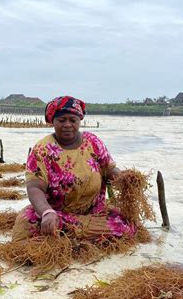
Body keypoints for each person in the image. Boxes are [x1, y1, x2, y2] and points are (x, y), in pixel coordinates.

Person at [11, 96, 137, 243]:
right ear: (53, 121)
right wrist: (46, 212)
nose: (67, 125)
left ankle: (67, 238)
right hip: (56, 214)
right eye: (61, 120)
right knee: (25, 224)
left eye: (72, 120)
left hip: (94, 212)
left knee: (125, 227)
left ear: (79, 121)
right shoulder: (42, 149)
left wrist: (126, 180)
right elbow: (34, 188)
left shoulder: (93, 142)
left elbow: (109, 171)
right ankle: (75, 236)